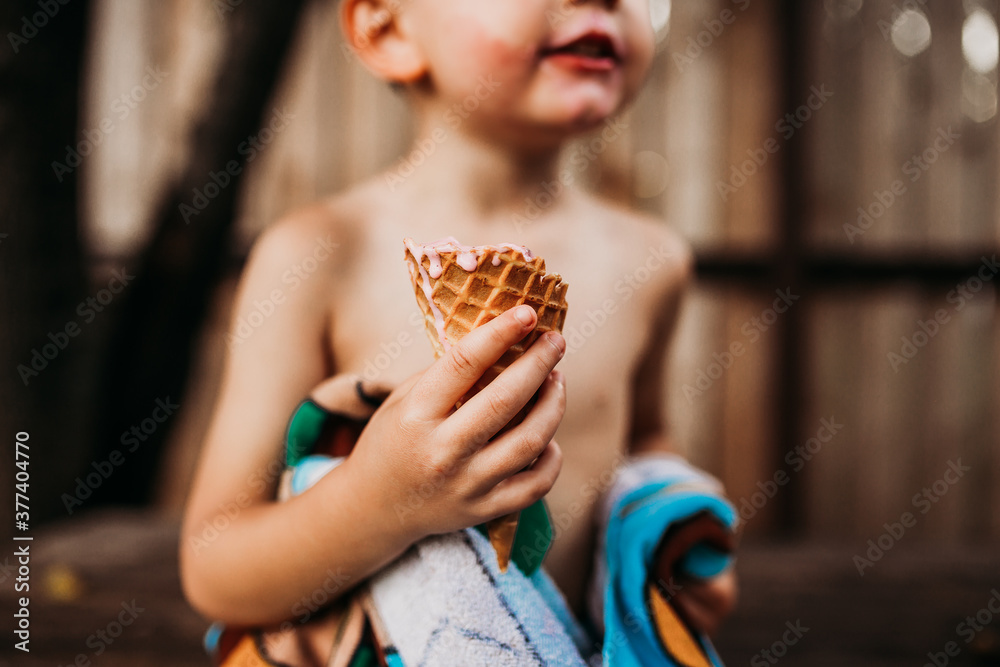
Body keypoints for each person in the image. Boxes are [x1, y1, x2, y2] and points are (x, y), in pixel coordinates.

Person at [180, 0, 737, 662]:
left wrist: (672, 536)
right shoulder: (316, 255)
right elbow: (214, 564)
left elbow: (644, 441)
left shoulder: (655, 261)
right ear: (387, 30)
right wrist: (375, 503)